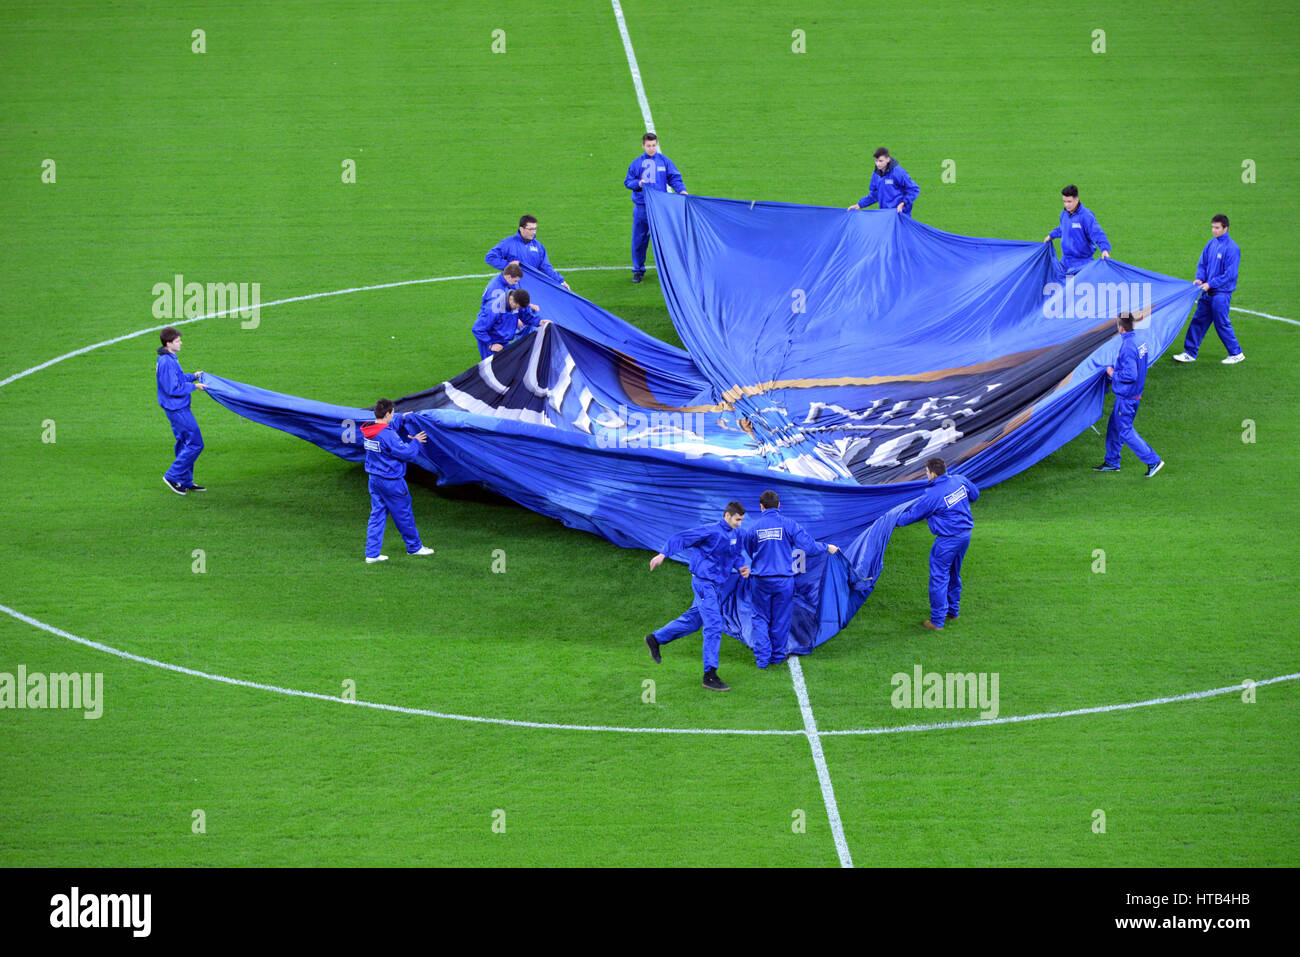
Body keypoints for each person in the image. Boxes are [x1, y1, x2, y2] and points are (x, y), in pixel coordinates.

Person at [644, 502, 749, 691]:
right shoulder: (710, 531)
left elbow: (736, 555)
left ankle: (655, 638)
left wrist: (741, 566)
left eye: (742, 520)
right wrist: (663, 554)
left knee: (693, 621)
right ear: (727, 515)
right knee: (714, 625)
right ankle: (710, 676)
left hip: (717, 586)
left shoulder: (736, 534)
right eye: (737, 519)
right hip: (704, 584)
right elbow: (681, 538)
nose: (740, 524)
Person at [741, 491, 839, 668]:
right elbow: (808, 546)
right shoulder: (789, 524)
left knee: (760, 617)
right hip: (784, 580)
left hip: (760, 580)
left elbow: (749, 550)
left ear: (761, 506)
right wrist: (827, 547)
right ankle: (778, 656)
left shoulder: (754, 527)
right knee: (781, 618)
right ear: (779, 505)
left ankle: (762, 660)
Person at [897, 457, 979, 631]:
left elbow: (908, 518)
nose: (926, 475)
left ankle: (937, 622)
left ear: (933, 473)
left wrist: (890, 519)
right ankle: (953, 611)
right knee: (954, 573)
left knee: (939, 577)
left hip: (947, 541)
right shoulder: (959, 480)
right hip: (965, 536)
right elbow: (975, 494)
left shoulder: (932, 495)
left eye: (926, 472)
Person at [359, 399, 436, 563]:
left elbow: (386, 430)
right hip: (391, 482)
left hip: (374, 479)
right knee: (404, 515)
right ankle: (415, 548)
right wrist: (416, 441)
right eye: (393, 413)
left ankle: (372, 554)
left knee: (377, 515)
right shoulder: (388, 435)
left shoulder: (368, 429)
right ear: (387, 414)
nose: (393, 415)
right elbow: (407, 453)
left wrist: (401, 418)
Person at [1093, 312, 1163, 477]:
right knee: (1114, 428)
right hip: (1132, 395)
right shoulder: (1139, 340)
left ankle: (1153, 460)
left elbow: (1130, 375)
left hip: (1127, 397)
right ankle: (1112, 461)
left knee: (1124, 430)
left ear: (1120, 327)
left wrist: (1112, 373)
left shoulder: (1128, 346)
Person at [1172, 214, 1244, 364]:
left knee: (1221, 323)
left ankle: (1236, 353)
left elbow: (1230, 274)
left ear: (1226, 228)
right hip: (1207, 292)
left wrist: (1211, 283)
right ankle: (1190, 353)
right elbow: (1202, 264)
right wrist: (1199, 278)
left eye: (1217, 228)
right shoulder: (1211, 244)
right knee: (1198, 321)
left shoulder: (1232, 248)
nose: (1214, 230)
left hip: (1221, 294)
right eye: (1212, 227)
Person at [624, 132, 687, 283]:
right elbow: (628, 182)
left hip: (660, 207)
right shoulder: (636, 163)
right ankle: (638, 270)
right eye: (648, 146)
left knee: (665, 239)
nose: (651, 148)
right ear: (643, 146)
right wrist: (638, 184)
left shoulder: (665, 161)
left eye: (653, 145)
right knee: (639, 239)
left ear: (657, 144)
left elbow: (674, 178)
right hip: (642, 208)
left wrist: (682, 190)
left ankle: (669, 270)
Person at [156, 326, 207, 495]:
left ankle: (184, 481)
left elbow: (177, 378)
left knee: (184, 443)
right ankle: (172, 476)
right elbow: (173, 388)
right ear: (169, 343)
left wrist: (193, 376)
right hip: (177, 409)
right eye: (178, 340)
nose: (181, 343)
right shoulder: (166, 362)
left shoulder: (170, 357)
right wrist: (194, 386)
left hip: (177, 407)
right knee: (195, 443)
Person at [484, 216, 570, 290]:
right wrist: (508, 265)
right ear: (521, 229)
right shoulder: (508, 243)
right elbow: (490, 257)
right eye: (531, 229)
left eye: (535, 228)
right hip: (514, 288)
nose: (534, 232)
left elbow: (546, 267)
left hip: (533, 287)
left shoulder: (539, 247)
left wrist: (560, 281)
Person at [1043, 185, 1111, 273]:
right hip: (1066, 262)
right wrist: (1051, 235)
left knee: (1079, 286)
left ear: (1077, 200)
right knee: (1065, 285)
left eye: (1069, 201)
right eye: (1064, 201)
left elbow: (1097, 233)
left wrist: (1105, 249)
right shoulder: (1064, 214)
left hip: (1082, 264)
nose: (1066, 205)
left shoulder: (1086, 216)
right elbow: (1062, 228)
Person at [847, 147, 919, 215]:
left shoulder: (898, 172)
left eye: (881, 161)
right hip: (885, 214)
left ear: (888, 159)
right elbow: (875, 194)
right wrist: (859, 205)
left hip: (900, 213)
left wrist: (903, 203)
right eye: (876, 161)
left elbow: (913, 189)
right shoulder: (876, 175)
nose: (878, 164)